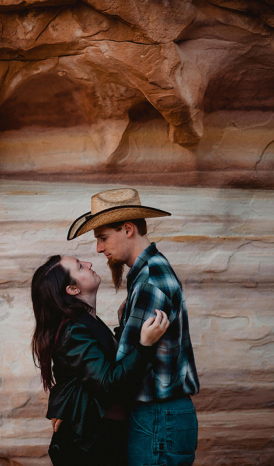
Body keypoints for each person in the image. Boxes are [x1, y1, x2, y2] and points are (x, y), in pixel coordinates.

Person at [68, 187, 200, 466]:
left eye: (103, 238)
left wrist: (70, 405)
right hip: (160, 418)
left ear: (128, 229)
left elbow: (121, 373)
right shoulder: (147, 273)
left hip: (158, 418)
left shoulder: (150, 280)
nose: (99, 248)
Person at [31, 254, 170, 465]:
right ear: (73, 289)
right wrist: (145, 345)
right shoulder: (74, 330)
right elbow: (108, 383)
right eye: (79, 267)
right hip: (91, 446)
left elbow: (93, 371)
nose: (89, 263)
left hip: (103, 439)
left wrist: (124, 323)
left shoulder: (85, 322)